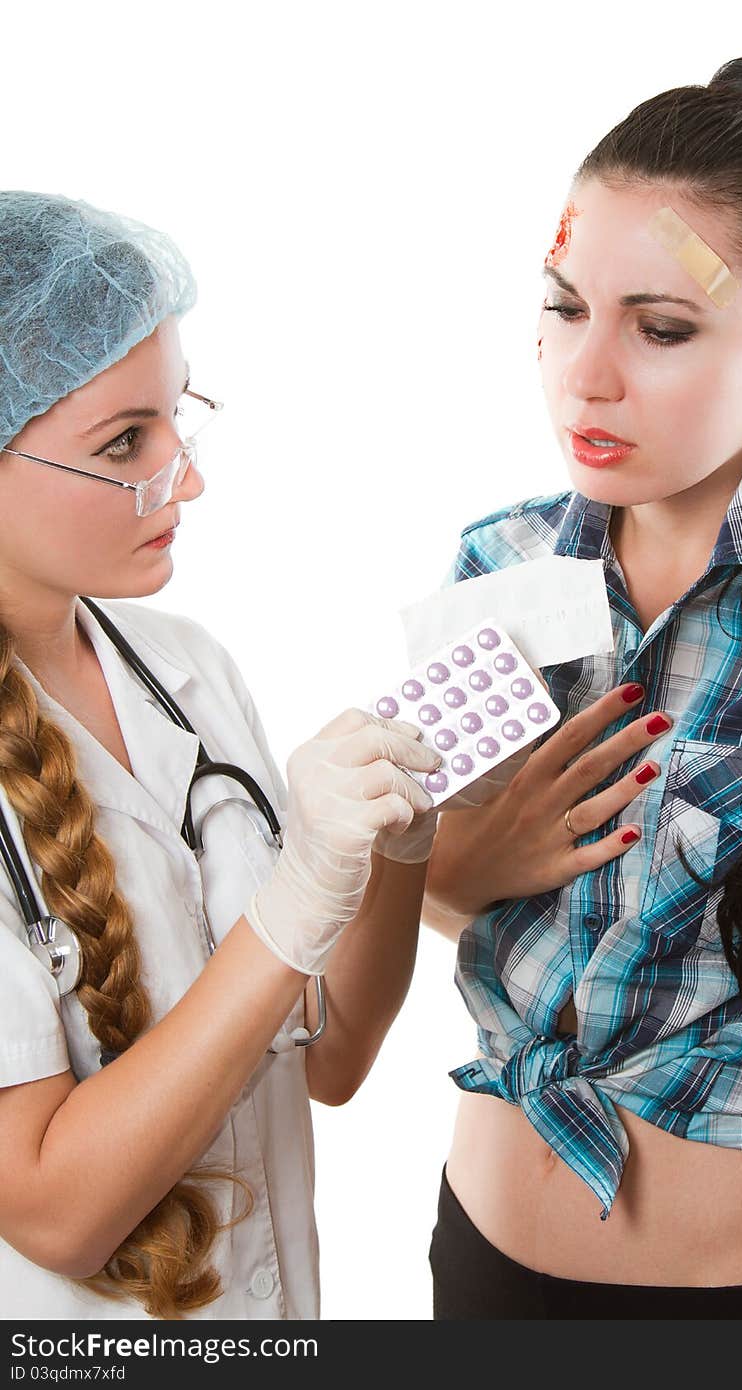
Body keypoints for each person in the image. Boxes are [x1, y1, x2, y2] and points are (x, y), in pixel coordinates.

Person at [422, 47, 742, 1320]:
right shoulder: (496, 565)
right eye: (566, 306)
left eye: (662, 327)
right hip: (478, 1260)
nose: (588, 374)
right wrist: (452, 872)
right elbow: (446, 898)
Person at [0, 189, 508, 1321]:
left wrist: (391, 848)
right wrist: (289, 906)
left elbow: (327, 1061)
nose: (187, 476)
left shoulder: (183, 669)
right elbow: (53, 1209)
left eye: (178, 417)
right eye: (125, 440)